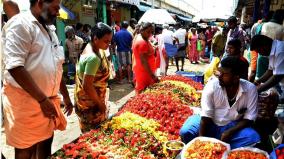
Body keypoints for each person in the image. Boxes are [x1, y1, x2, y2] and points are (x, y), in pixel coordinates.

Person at [2, 0, 73, 158]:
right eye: (55, 7)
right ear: (40, 3)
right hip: (26, 103)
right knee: (26, 149)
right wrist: (42, 100)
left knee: (46, 143)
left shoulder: (50, 29)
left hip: (48, 101)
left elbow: (56, 67)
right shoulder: (21, 24)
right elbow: (14, 67)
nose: (57, 12)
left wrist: (66, 97)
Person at [180, 56, 260, 149]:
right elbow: (206, 118)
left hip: (231, 126)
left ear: (236, 77)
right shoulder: (212, 86)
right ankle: (219, 146)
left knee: (253, 138)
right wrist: (201, 142)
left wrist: (230, 132)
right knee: (186, 131)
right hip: (210, 122)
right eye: (220, 72)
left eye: (224, 74)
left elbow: (249, 119)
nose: (220, 76)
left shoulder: (250, 89)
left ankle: (222, 149)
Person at [75, 22, 113, 132]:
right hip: (91, 104)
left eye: (110, 41)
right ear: (95, 38)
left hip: (89, 100)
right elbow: (87, 86)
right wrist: (100, 104)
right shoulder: (93, 58)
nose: (108, 44)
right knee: (93, 134)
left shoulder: (92, 47)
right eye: (106, 41)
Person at [251, 35, 284, 102]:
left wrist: (258, 90)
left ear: (265, 46)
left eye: (259, 51)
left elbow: (277, 77)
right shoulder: (273, 49)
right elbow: (270, 71)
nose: (260, 54)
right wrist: (257, 82)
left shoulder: (280, 51)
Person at [132, 22, 159, 94]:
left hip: (143, 69)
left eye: (151, 32)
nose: (150, 34)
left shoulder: (141, 37)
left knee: (143, 89)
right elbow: (144, 62)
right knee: (143, 90)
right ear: (142, 30)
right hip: (144, 71)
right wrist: (152, 76)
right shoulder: (142, 42)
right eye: (148, 32)